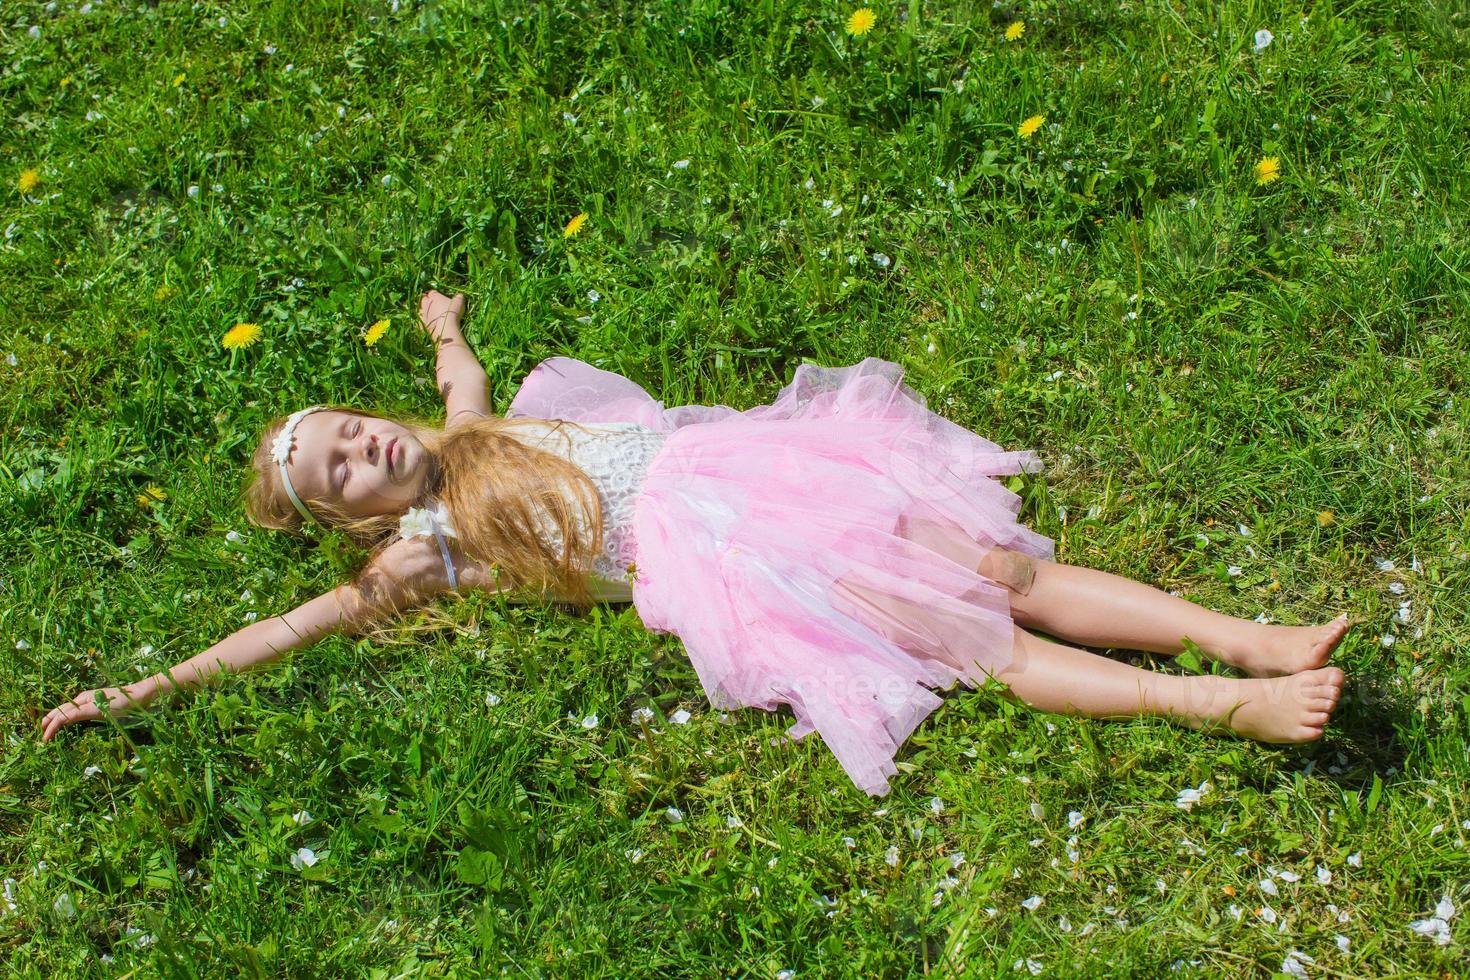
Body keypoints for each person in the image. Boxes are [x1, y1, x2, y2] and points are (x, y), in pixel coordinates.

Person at [40, 291, 1351, 797]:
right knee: (975, 637)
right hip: (723, 558)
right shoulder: (419, 551)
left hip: (742, 466)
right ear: (352, 518)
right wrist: (150, 688)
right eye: (342, 470)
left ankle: (1246, 632)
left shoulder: (466, 429)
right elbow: (292, 628)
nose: (366, 449)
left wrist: (443, 328)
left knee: (1001, 565)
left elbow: (462, 370)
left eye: (349, 427)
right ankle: (1217, 702)